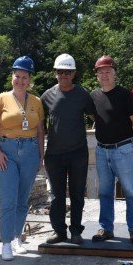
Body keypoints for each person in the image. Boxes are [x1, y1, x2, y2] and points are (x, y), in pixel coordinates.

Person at [0, 56, 45, 261]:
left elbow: (39, 130)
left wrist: (41, 155)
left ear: (30, 80)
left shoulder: (36, 102)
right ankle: (5, 244)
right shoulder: (1, 99)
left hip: (30, 151)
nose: (20, 80)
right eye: (17, 76)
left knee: (22, 200)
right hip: (6, 151)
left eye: (24, 77)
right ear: (12, 77)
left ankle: (16, 238)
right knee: (8, 200)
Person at [41, 53, 96, 245]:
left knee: (77, 194)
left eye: (68, 72)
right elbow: (40, 125)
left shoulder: (82, 94)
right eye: (60, 71)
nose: (64, 75)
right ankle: (59, 232)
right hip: (54, 155)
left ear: (73, 73)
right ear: (55, 73)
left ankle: (75, 231)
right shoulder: (47, 96)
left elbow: (96, 117)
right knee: (56, 196)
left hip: (78, 153)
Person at [90, 55, 133, 244]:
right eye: (101, 72)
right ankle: (106, 228)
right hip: (101, 150)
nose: (104, 75)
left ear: (114, 74)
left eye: (108, 71)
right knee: (104, 191)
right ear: (96, 75)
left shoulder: (124, 94)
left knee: (130, 191)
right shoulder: (94, 96)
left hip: (123, 149)